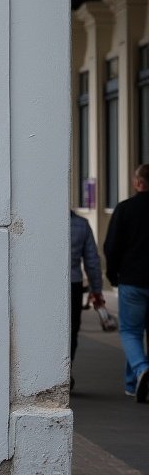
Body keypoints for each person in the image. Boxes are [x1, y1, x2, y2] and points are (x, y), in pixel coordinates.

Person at [103, 163, 149, 403]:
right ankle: (132, 384)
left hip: (132, 280)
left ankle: (141, 369)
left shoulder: (125, 209)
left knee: (131, 331)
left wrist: (111, 274)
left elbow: (112, 245)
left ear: (138, 183)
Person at [70, 210, 105, 391]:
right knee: (72, 329)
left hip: (47, 285)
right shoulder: (81, 225)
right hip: (73, 284)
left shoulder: (44, 224)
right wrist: (96, 290)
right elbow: (92, 260)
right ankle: (66, 368)